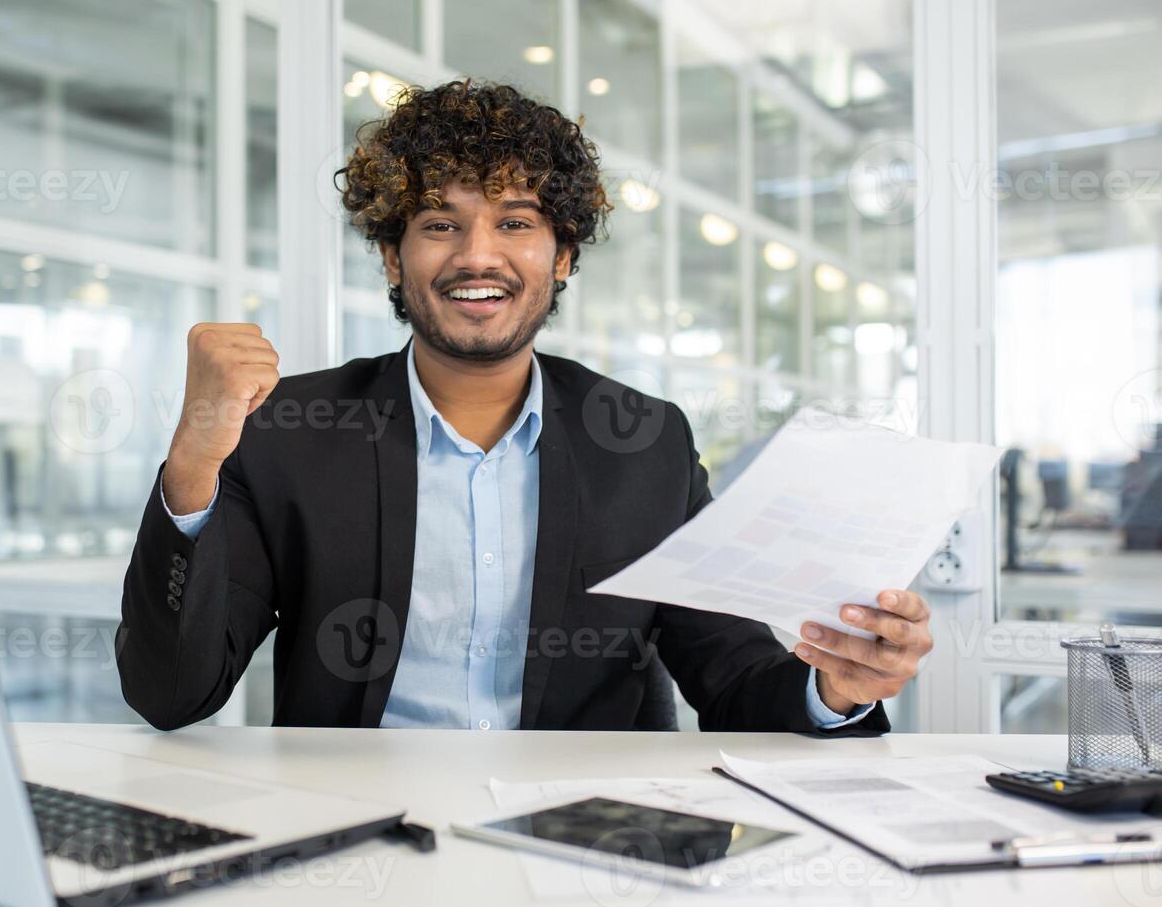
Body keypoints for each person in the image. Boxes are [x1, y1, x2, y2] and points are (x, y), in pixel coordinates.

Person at [116, 80, 931, 733]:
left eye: (515, 222)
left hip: (582, 854)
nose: (478, 255)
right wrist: (192, 462)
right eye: (441, 223)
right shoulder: (290, 432)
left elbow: (734, 681)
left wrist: (835, 688)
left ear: (564, 255)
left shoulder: (644, 445)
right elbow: (172, 693)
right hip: (359, 849)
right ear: (392, 261)